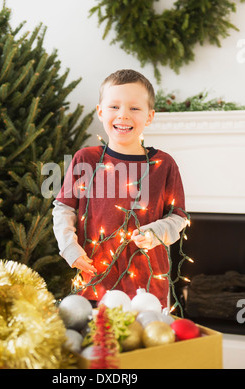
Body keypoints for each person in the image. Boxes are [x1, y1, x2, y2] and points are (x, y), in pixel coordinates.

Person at [52, 69, 187, 308]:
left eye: (134, 108)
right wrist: (70, 249)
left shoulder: (163, 164)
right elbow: (63, 208)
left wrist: (156, 232)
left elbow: (178, 217)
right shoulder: (86, 159)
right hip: (95, 281)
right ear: (100, 112)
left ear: (149, 116)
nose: (123, 115)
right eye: (114, 107)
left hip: (148, 287)